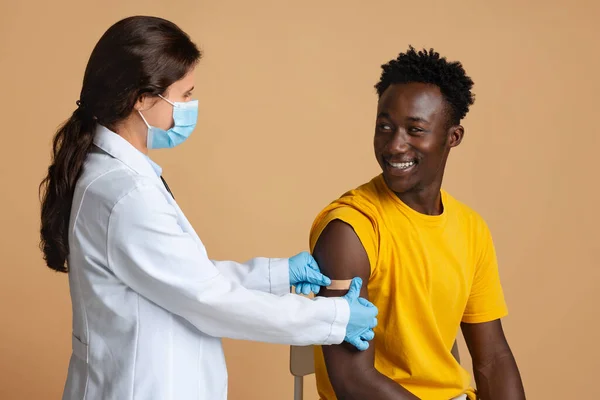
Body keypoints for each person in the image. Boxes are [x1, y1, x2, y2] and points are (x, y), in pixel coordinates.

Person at [38, 16, 378, 400]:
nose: (190, 106)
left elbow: (176, 277)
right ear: (142, 98)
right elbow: (208, 300)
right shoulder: (126, 194)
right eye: (184, 95)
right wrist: (335, 319)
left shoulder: (113, 176)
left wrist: (275, 275)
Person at [309, 47, 526, 400]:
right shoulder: (349, 229)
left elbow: (493, 359)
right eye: (385, 126)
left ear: (452, 137)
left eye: (415, 130)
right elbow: (352, 380)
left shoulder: (471, 228)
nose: (395, 145)